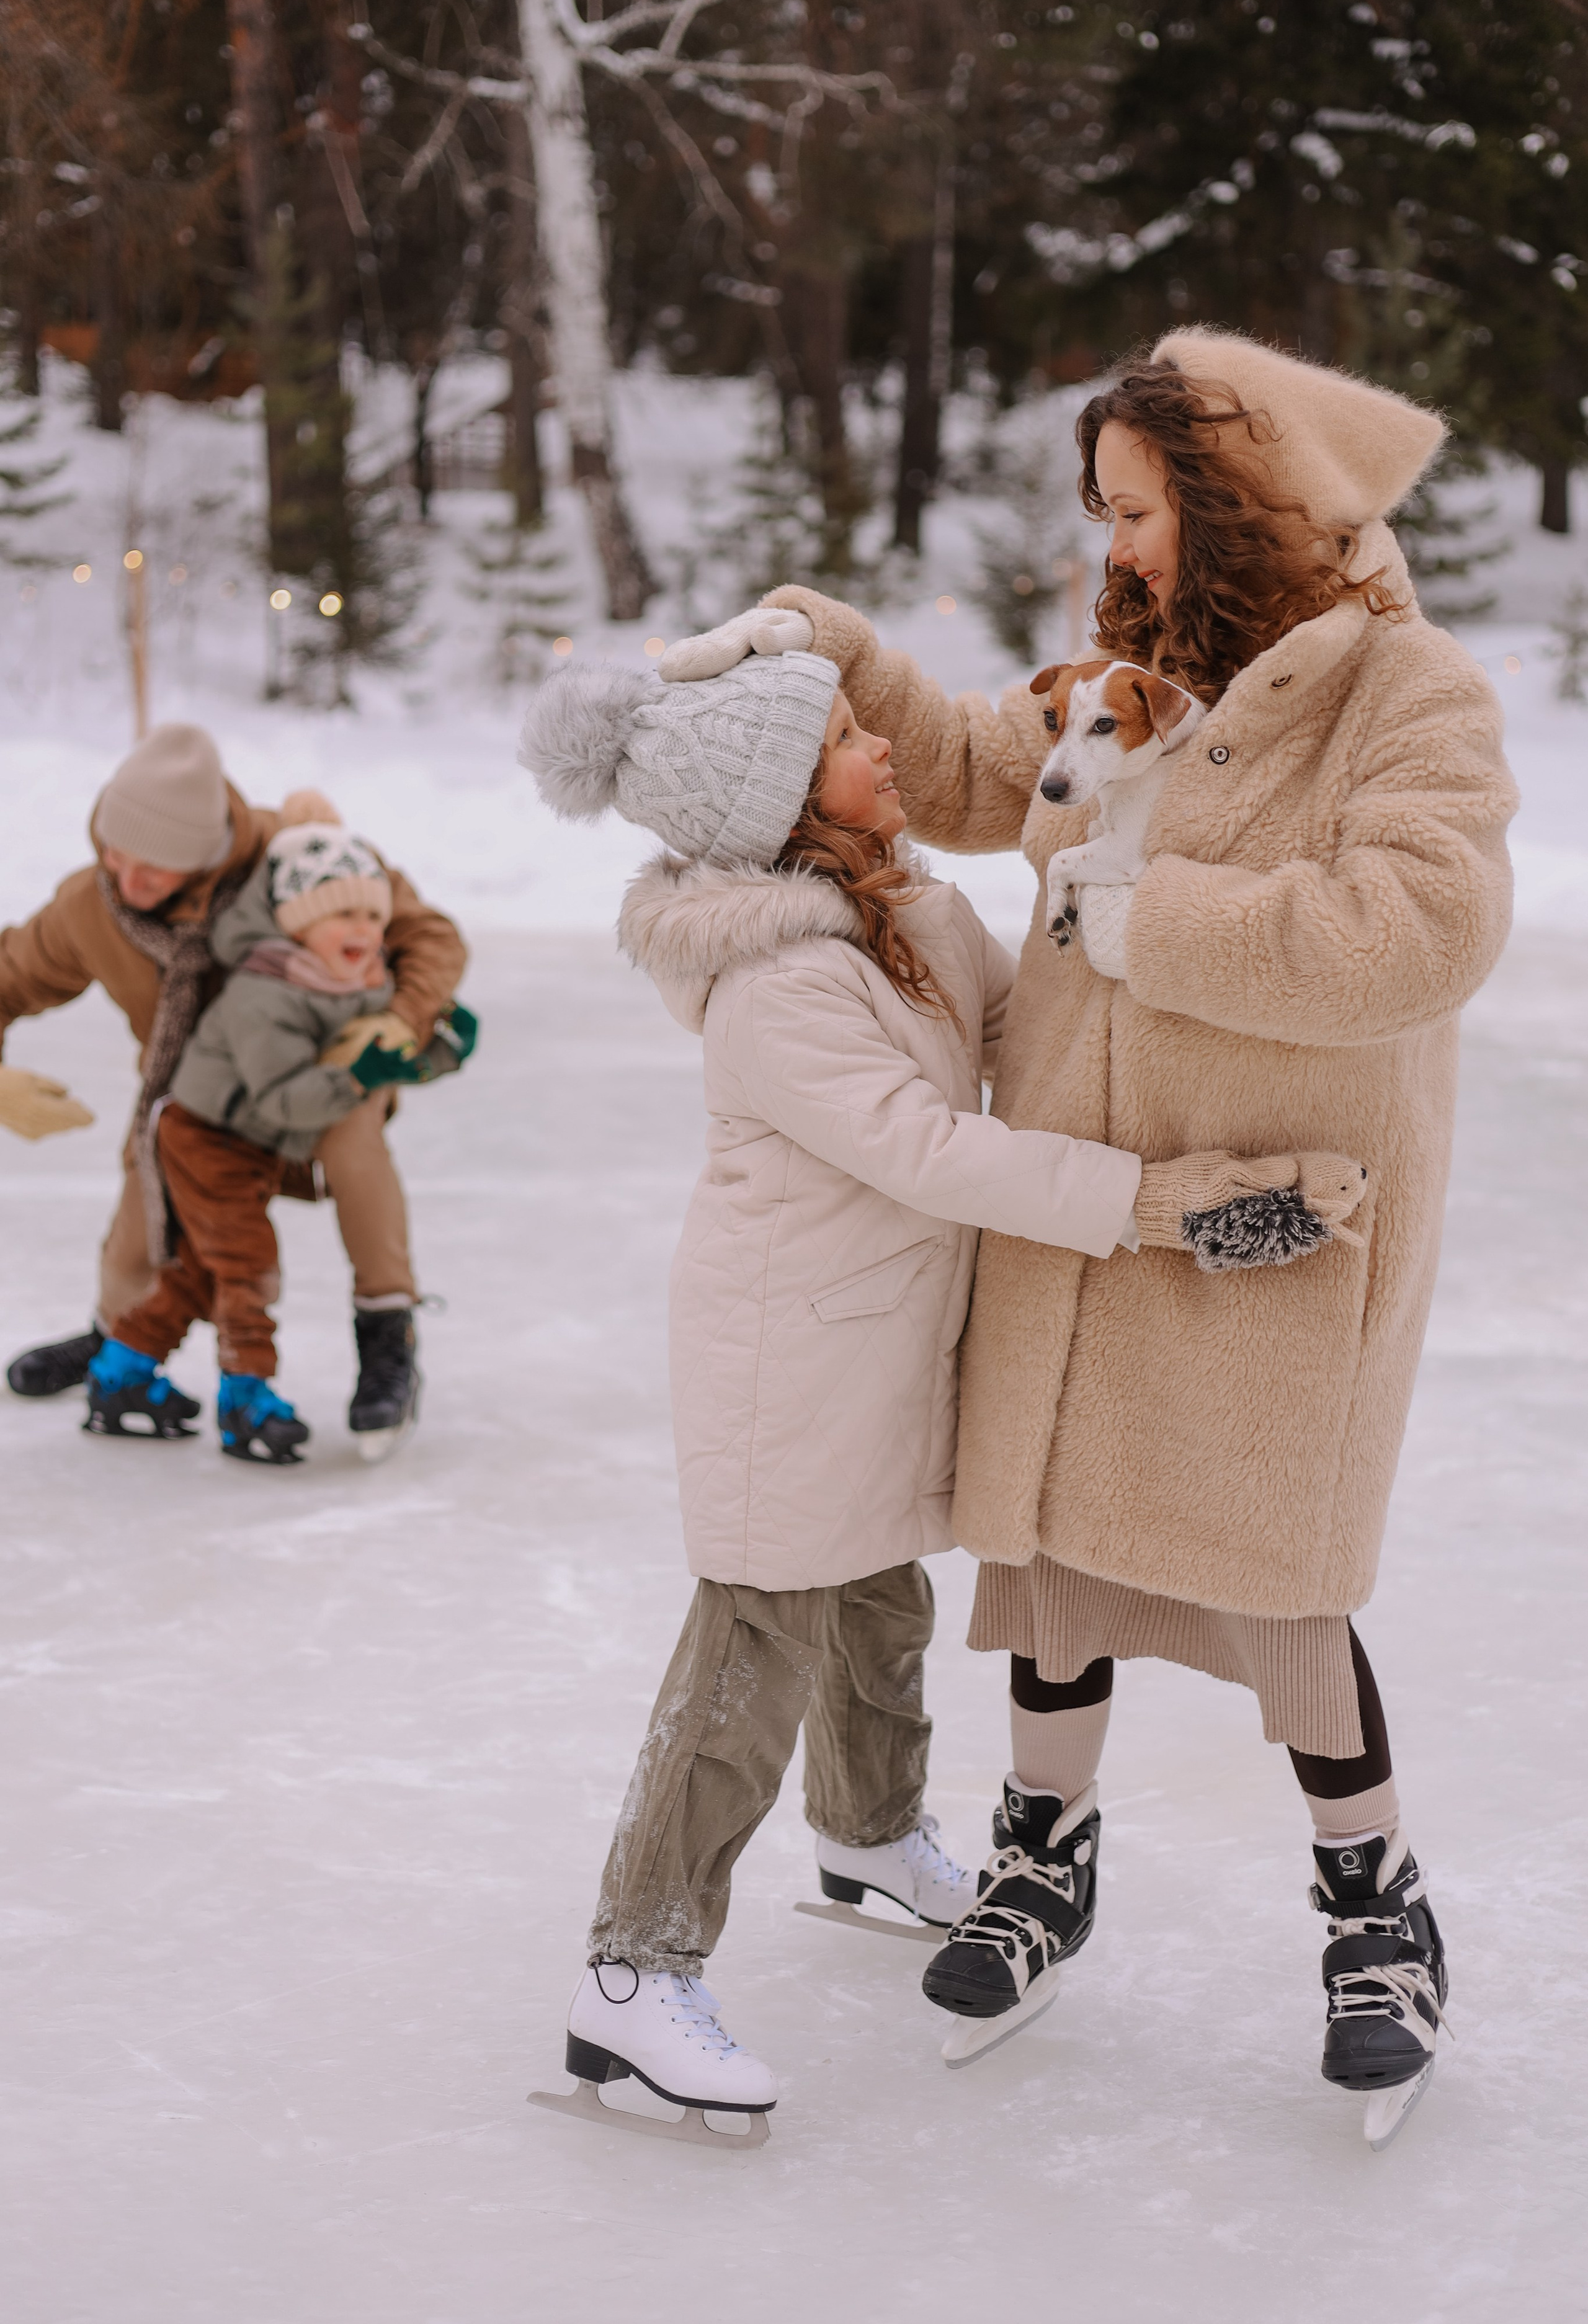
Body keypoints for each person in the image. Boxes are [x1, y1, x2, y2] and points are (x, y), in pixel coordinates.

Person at [674, 327, 1519, 2147]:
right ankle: (1041, 1849)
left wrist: (1150, 921)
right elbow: (982, 767)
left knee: (1279, 1581)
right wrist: (839, 645)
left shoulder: (1408, 688)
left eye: (1138, 509)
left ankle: (1375, 1902)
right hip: (1084, 1198)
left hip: (1272, 1203)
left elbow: (1424, 922)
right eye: (1108, 511)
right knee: (1053, 1549)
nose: (1116, 543)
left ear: (1241, 502)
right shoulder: (1138, 658)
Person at [519, 639, 1364, 2144]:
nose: (885, 751)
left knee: (879, 1600)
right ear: (782, 801)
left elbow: (1015, 1036)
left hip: (894, 1334)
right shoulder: (773, 979)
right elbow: (935, 1146)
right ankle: (633, 1969)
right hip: (790, 1354)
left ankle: (866, 1834)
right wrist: (1156, 1201)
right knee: (754, 1641)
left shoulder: (904, 905)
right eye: (849, 741)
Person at [0, 721, 466, 1443]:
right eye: (114, 854)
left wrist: (399, 1022)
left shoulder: (297, 856)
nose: (128, 881)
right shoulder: (92, 906)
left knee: (355, 1144)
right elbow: (7, 977)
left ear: (203, 855)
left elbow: (428, 935)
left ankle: (387, 1330)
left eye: (151, 869)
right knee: (143, 1203)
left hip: (322, 1069)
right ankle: (113, 1340)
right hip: (193, 1093)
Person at [85, 808, 473, 1463]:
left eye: (375, 918)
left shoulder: (348, 975)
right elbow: (288, 1098)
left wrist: (433, 1050)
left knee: (202, 1272)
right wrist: (361, 1077)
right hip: (207, 1138)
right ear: (296, 921)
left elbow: (370, 1041)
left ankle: (119, 1373)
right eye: (342, 915)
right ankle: (246, 1397)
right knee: (247, 1268)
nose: (364, 931)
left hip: (248, 1139)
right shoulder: (266, 991)